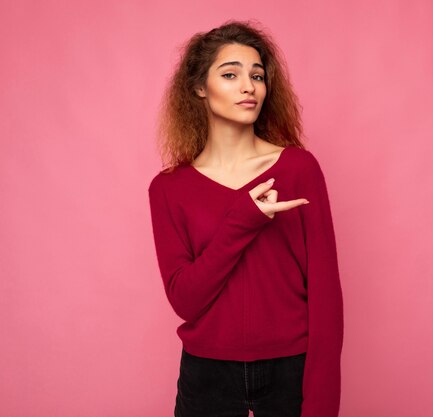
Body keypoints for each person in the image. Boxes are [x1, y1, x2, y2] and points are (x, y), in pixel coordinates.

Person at [147, 20, 344, 417]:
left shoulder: (298, 169)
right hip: (206, 377)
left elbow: (327, 297)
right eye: (230, 74)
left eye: (257, 75)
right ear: (200, 87)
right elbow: (185, 300)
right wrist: (244, 218)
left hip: (290, 370)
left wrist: (322, 403)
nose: (248, 86)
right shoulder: (168, 188)